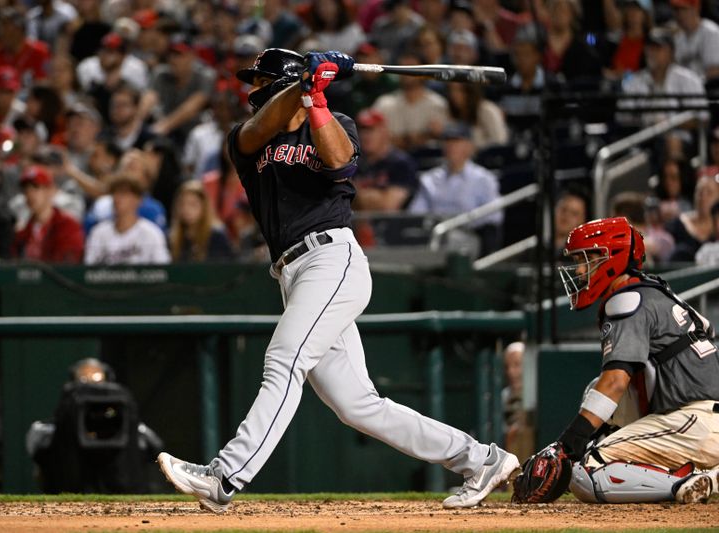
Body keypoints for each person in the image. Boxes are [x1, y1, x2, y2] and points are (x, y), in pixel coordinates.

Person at [156, 47, 519, 513]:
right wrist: (304, 84)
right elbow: (262, 124)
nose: (251, 90)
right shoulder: (247, 139)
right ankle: (481, 459)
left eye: (259, 81)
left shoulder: (335, 121)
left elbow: (341, 163)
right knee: (358, 406)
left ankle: (225, 476)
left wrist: (317, 99)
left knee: (283, 360)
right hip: (292, 271)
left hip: (332, 258)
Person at [515, 217, 719, 505]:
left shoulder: (627, 300)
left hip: (693, 422)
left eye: (586, 259)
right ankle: (701, 471)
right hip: (698, 418)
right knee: (593, 390)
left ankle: (689, 482)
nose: (580, 270)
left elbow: (615, 382)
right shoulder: (656, 291)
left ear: (611, 257)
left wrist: (566, 446)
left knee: (586, 470)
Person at [26, 358, 163, 493]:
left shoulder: (130, 422)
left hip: (122, 490)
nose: (92, 388)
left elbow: (155, 448)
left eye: (97, 382)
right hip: (69, 491)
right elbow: (37, 450)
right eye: (84, 382)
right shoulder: (50, 428)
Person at [409, 123, 503, 255]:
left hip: (469, 237)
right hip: (434, 238)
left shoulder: (484, 179)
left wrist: (461, 224)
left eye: (457, 141)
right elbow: (415, 214)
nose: (451, 146)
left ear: (469, 146)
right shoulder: (430, 179)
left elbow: (493, 218)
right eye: (447, 141)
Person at [84, 174, 170, 265]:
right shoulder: (99, 232)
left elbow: (163, 270)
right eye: (114, 193)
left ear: (138, 199)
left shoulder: (151, 233)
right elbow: (89, 270)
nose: (117, 198)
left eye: (123, 194)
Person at [12, 165, 84, 263]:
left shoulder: (67, 226)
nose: (29, 194)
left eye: (35, 187)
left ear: (50, 190)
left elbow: (69, 265)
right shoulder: (23, 231)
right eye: (26, 190)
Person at [352, 108, 418, 212]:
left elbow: (388, 206)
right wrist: (377, 196)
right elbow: (342, 202)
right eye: (362, 131)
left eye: (371, 130)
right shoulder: (355, 161)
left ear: (384, 132)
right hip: (358, 225)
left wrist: (357, 195)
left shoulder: (400, 162)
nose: (365, 136)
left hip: (392, 226)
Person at [169, 180, 235, 262]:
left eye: (193, 204)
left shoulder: (217, 236)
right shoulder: (173, 237)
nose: (186, 209)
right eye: (182, 204)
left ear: (204, 207)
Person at [670, 0, 719, 81]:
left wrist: (695, 84)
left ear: (696, 8)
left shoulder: (711, 32)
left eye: (684, 9)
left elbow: (715, 70)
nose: (680, 14)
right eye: (676, 10)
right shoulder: (677, 39)